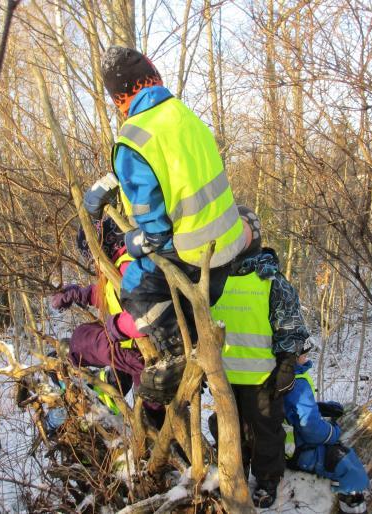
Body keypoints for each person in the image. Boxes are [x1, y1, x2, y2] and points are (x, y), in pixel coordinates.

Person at [83, 46, 247, 402]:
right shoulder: (183, 114)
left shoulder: (131, 138)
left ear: (118, 98)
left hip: (191, 254)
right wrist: (116, 179)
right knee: (165, 288)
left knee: (135, 288)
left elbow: (155, 230)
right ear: (154, 78)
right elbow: (174, 167)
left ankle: (176, 351)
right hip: (227, 248)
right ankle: (187, 336)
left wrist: (134, 241)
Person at [208, 207, 306, 508]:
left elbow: (289, 325)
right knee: (226, 431)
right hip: (223, 377)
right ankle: (232, 477)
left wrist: (287, 363)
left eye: (242, 230)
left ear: (255, 233)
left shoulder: (269, 278)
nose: (235, 237)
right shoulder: (212, 276)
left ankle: (266, 480)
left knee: (265, 433)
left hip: (262, 377)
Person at [51, 218, 164, 423]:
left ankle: (76, 359)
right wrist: (78, 294)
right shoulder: (125, 261)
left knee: (83, 338)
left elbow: (146, 316)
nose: (94, 264)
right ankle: (112, 386)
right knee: (150, 408)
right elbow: (111, 293)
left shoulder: (128, 266)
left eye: (93, 258)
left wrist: (114, 328)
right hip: (141, 353)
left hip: (145, 355)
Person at [284, 347, 370, 514]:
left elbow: (290, 409)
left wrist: (319, 408)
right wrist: (333, 432)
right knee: (348, 466)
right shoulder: (297, 382)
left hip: (286, 444)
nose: (306, 354)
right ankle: (354, 509)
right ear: (293, 356)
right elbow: (312, 430)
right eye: (303, 351)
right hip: (298, 451)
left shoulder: (282, 376)